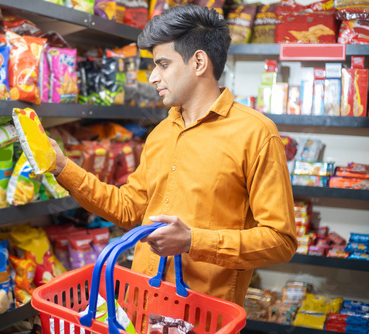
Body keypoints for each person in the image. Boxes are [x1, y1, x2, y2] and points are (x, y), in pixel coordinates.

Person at [48, 4, 297, 307]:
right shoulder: (161, 133)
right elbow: (130, 209)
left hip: (204, 316)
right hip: (141, 304)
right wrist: (62, 166)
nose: (153, 77)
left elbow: (280, 242)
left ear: (199, 62)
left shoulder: (256, 133)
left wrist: (193, 241)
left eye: (163, 64)